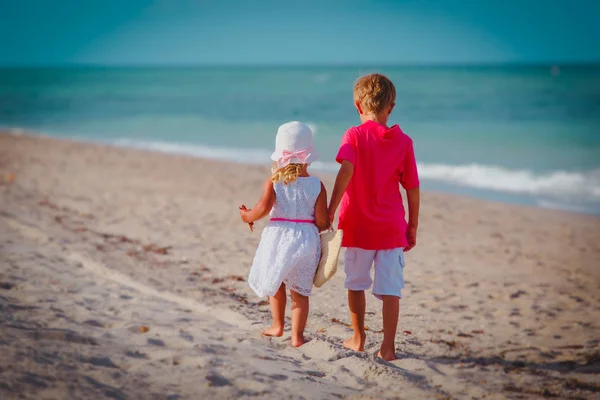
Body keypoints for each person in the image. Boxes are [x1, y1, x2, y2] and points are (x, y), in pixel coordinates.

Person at [328, 73, 420, 361]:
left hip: (357, 225)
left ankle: (358, 338)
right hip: (391, 228)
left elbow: (346, 171)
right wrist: (413, 225)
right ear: (390, 107)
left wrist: (329, 211)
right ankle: (388, 347)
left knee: (356, 282)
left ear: (358, 106)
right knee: (391, 287)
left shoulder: (353, 135)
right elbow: (413, 188)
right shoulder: (403, 141)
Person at [240, 121, 330, 347]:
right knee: (300, 291)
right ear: (308, 155)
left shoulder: (274, 182)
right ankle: (297, 337)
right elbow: (322, 221)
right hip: (306, 240)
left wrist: (246, 216)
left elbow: (261, 209)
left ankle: (278, 325)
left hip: (278, 237)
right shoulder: (317, 185)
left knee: (276, 282)